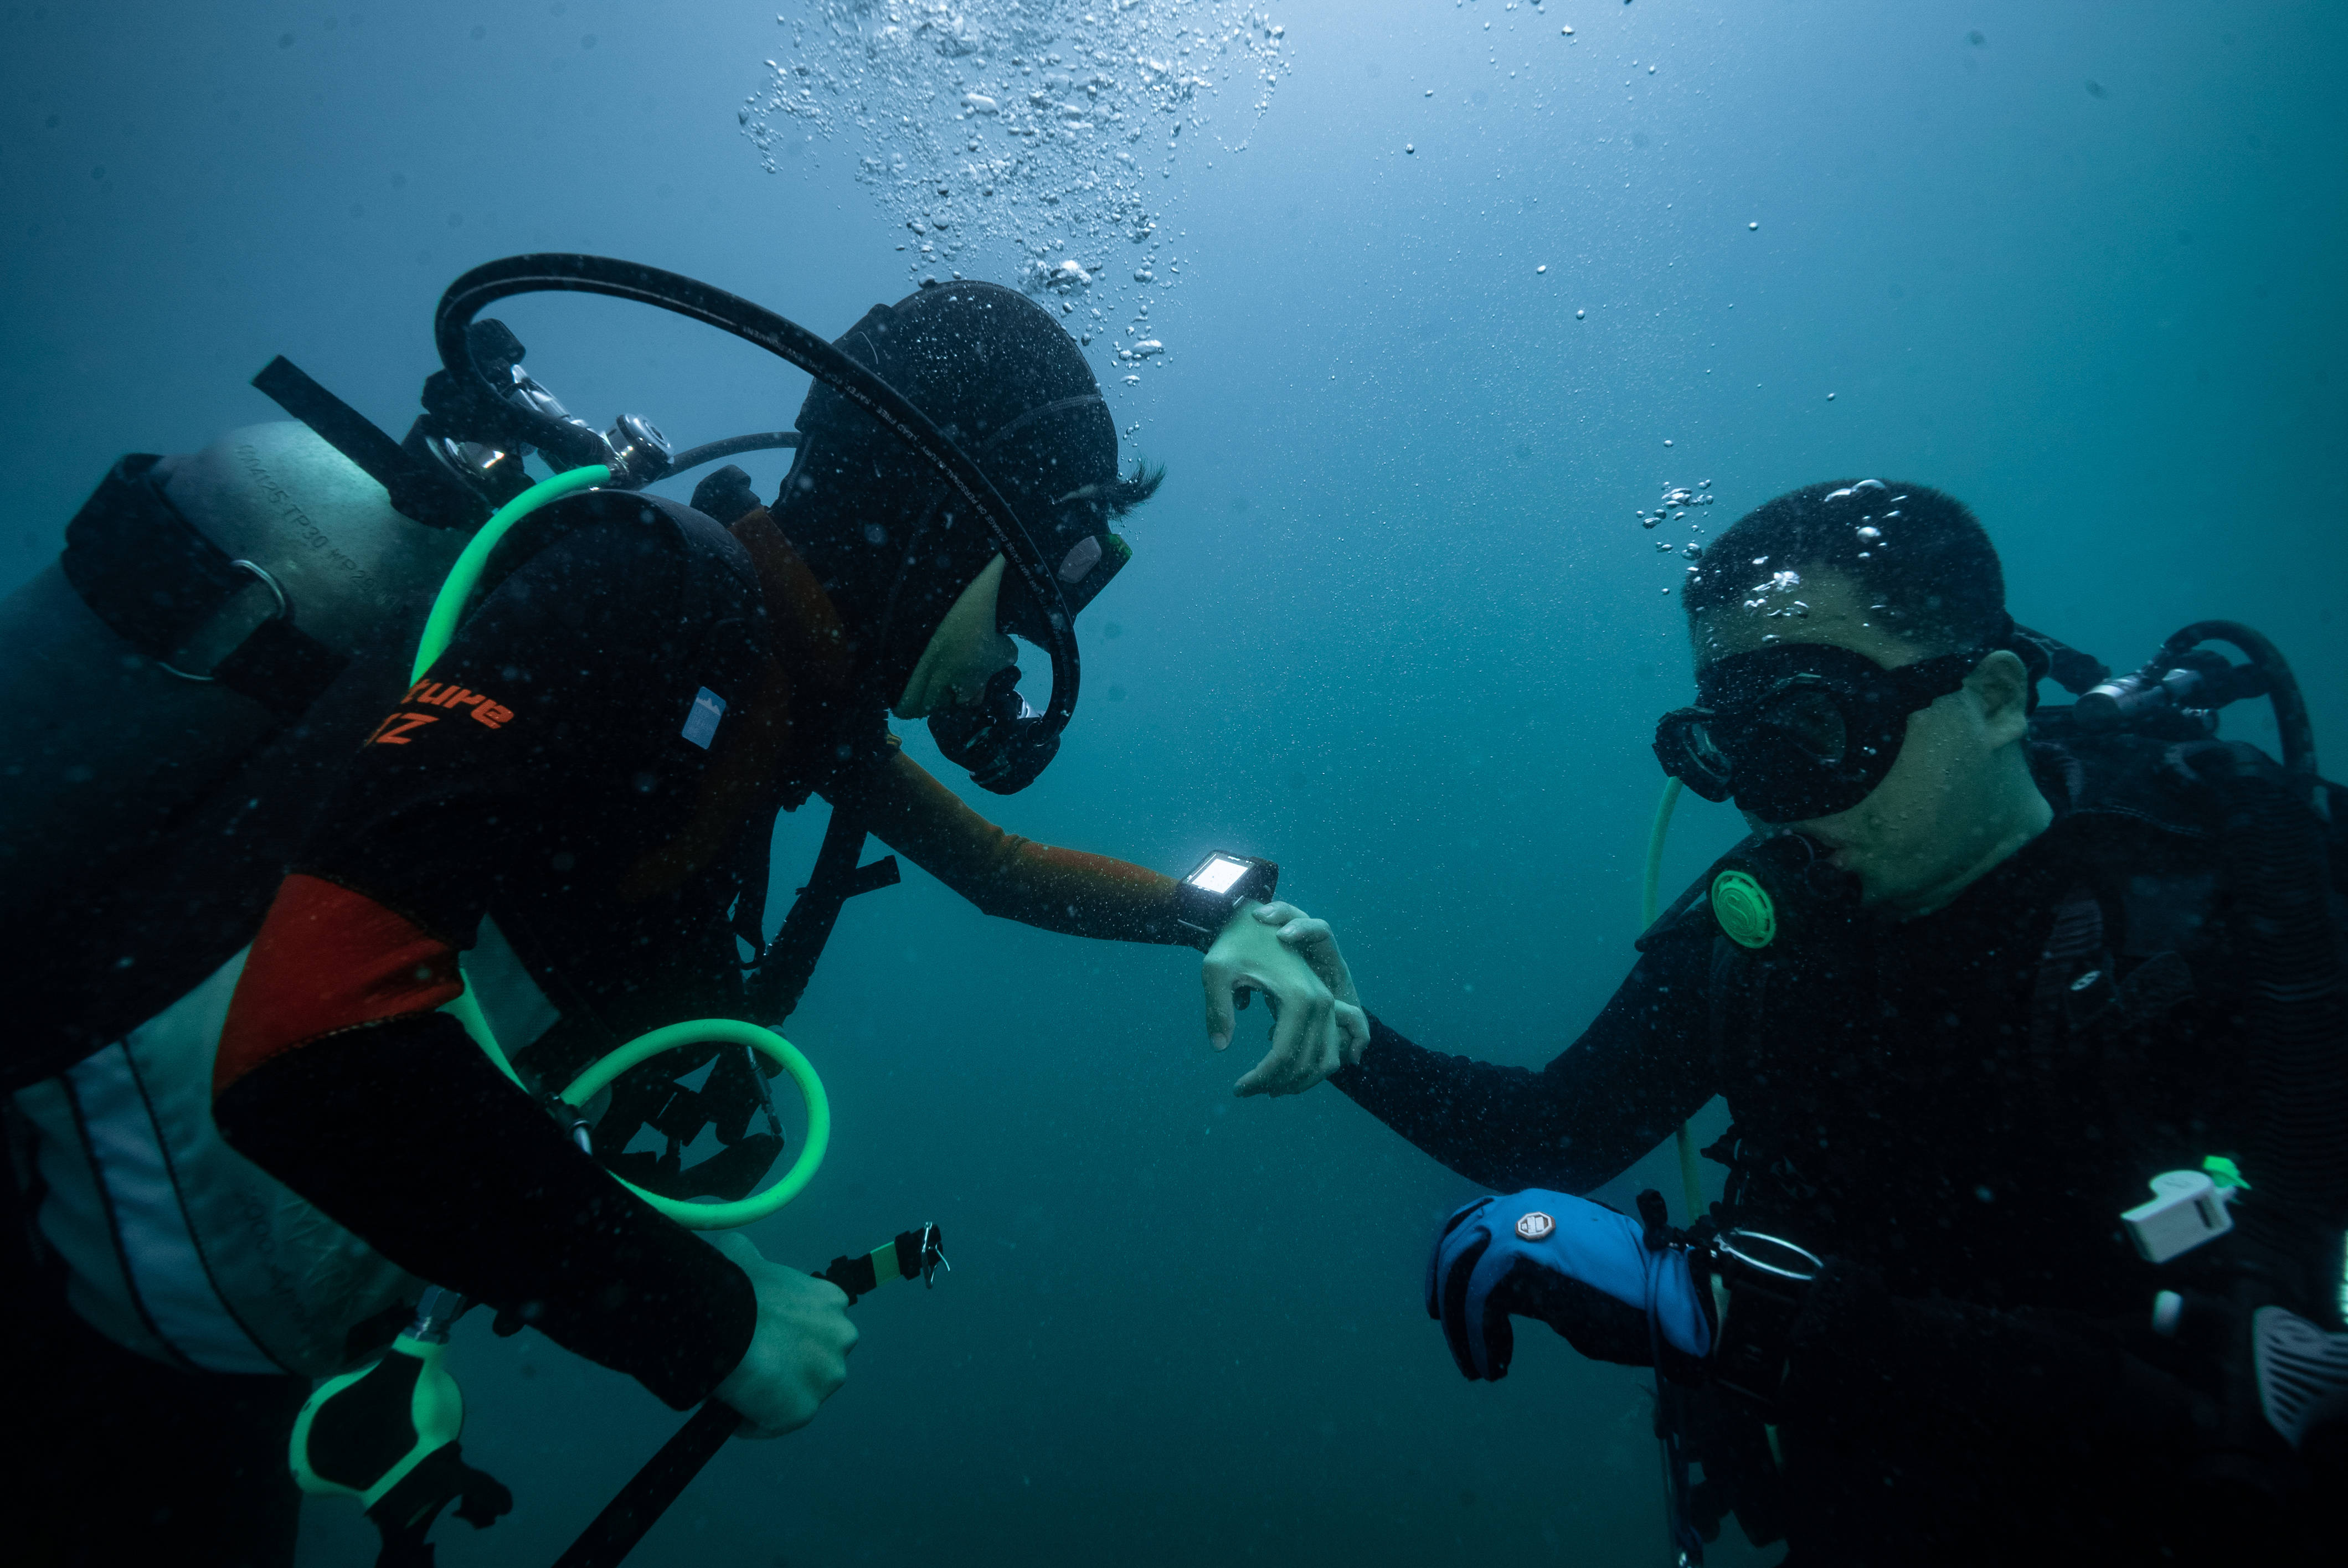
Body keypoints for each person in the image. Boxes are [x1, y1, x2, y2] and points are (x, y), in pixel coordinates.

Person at [6, 272, 1355, 1565]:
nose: (1025, 640)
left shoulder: (776, 670)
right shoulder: (645, 600)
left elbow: (997, 865)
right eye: (1039, 574)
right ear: (941, 520)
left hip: (211, 1328)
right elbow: (303, 1041)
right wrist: (702, 1320)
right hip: (101, 1285)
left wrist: (1213, 917)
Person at [1239, 479, 2347, 1562]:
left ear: (1998, 697)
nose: (1771, 804)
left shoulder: (2231, 919)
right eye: (1733, 749)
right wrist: (1339, 1025)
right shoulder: (1763, 937)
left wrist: (1724, 1314)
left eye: (1814, 728)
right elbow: (1550, 1134)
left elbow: (2268, 1392)